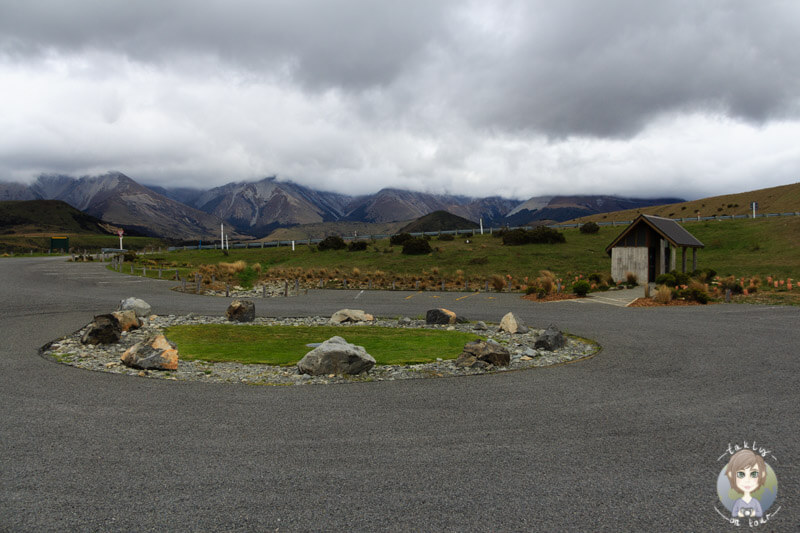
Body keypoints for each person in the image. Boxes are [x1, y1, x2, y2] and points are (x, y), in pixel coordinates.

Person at [725, 449, 767, 518]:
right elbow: (733, 514)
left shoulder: (755, 502)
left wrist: (753, 513)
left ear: (762, 475)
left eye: (754, 474)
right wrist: (739, 513)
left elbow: (760, 513)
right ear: (731, 475)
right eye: (741, 474)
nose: (747, 480)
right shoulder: (738, 502)